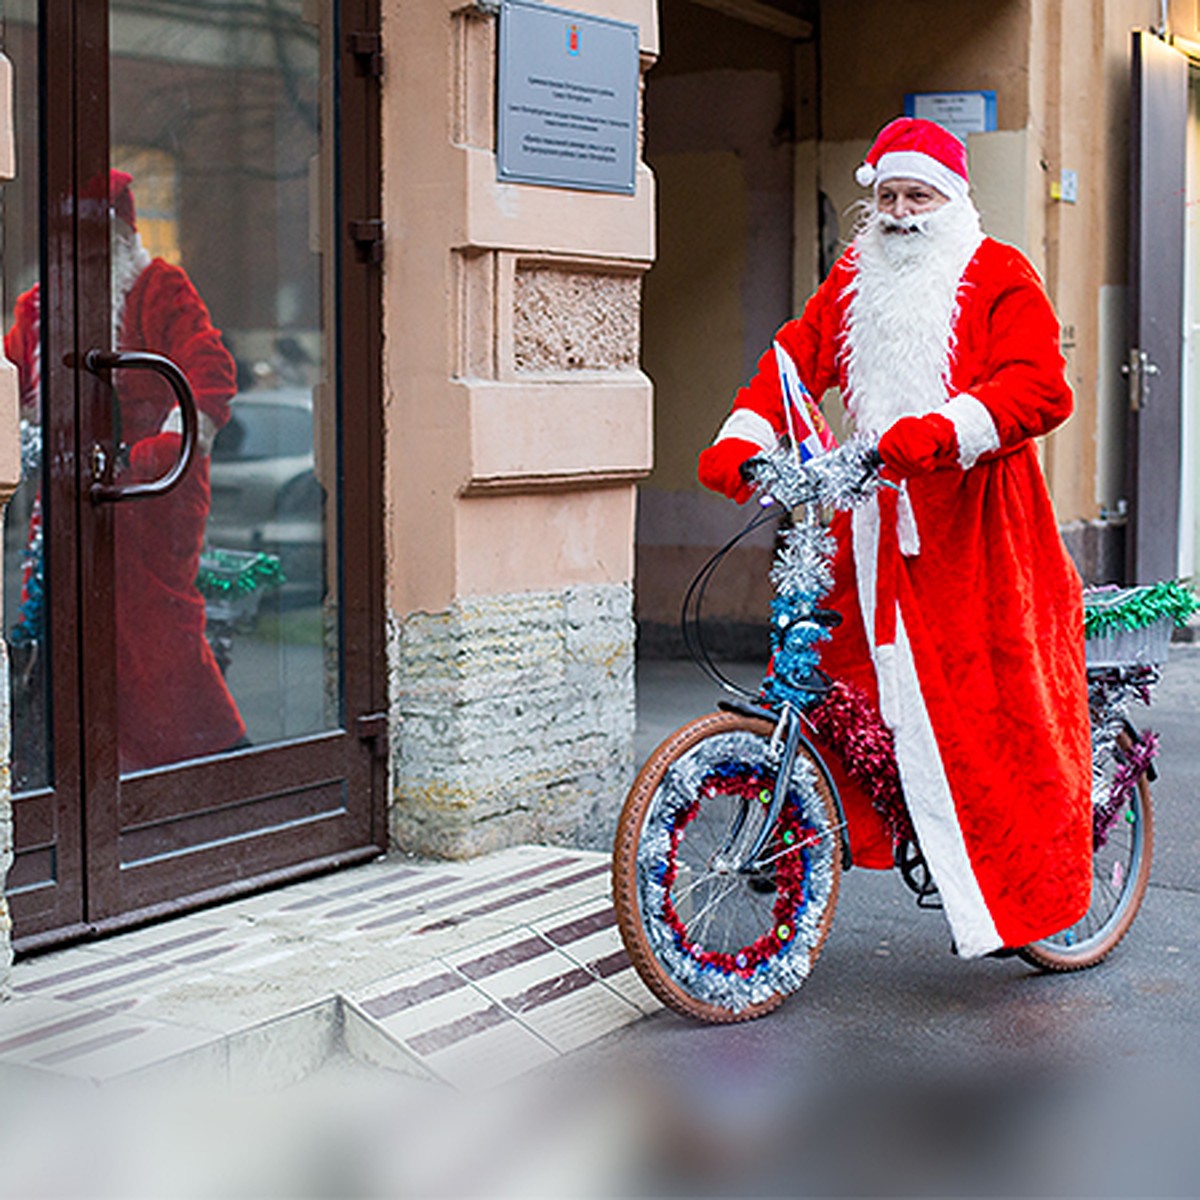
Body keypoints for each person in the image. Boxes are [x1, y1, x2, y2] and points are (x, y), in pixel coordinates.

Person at [698, 117, 1092, 959]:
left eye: (918, 195)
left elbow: (1038, 386)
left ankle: (1024, 891)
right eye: (888, 195)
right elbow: (796, 359)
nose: (902, 211)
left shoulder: (996, 272)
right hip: (867, 511)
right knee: (839, 679)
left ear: (952, 199)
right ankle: (843, 832)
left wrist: (942, 432)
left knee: (987, 709)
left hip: (978, 525)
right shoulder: (854, 273)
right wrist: (747, 433)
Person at [5, 169, 246, 771]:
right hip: (71, 486)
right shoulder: (40, 305)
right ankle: (97, 759)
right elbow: (12, 376)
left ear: (121, 233)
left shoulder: (160, 287)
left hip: (154, 492)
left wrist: (157, 454)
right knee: (69, 615)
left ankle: (210, 757)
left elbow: (208, 373)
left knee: (156, 624)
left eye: (98, 235)